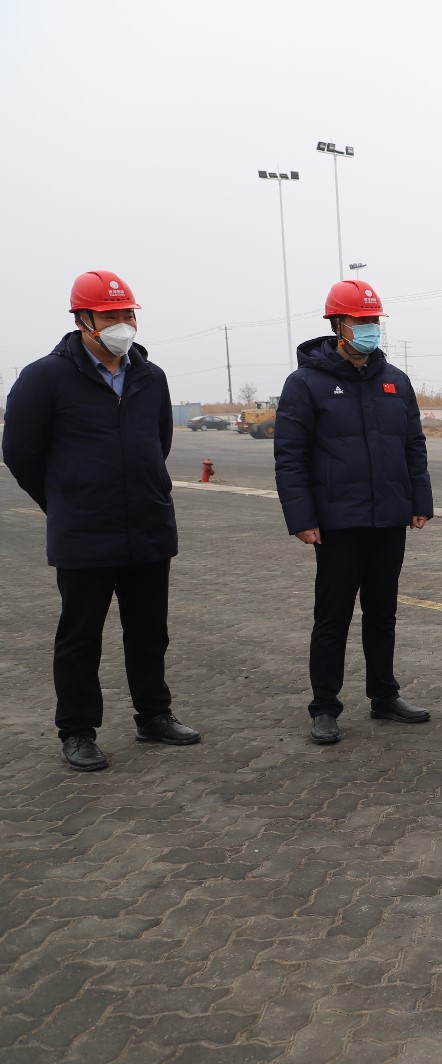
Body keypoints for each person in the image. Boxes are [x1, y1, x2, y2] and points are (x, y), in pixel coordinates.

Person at [2, 270, 200, 771]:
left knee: (149, 632)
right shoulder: (45, 377)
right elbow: (20, 453)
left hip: (148, 526)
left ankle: (154, 716)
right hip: (84, 531)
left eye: (127, 314)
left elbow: (158, 443)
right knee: (80, 637)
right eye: (110, 316)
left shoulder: (150, 377)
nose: (122, 324)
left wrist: (147, 487)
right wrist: (63, 501)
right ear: (83, 320)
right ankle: (77, 731)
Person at [274, 280, 434, 745]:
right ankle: (325, 707)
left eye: (374, 321)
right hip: (337, 523)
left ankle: (384, 695)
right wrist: (301, 517)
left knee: (383, 613)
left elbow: (413, 445)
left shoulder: (395, 380)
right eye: (360, 321)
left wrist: (419, 501)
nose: (369, 328)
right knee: (333, 617)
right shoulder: (306, 383)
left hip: (389, 518)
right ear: (337, 325)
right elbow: (290, 456)